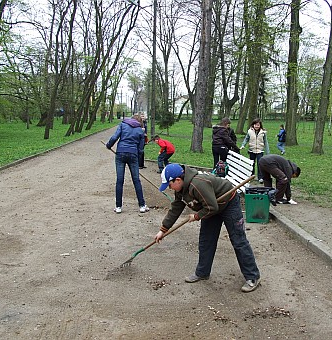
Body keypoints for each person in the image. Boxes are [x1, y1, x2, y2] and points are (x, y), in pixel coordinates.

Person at [154, 163, 261, 293]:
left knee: (238, 240)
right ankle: (202, 272)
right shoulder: (181, 189)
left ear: (177, 180)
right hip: (210, 206)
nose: (170, 188)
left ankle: (252, 277)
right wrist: (163, 230)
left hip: (227, 203)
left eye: (169, 185)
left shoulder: (197, 184)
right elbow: (176, 208)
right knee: (206, 240)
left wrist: (197, 216)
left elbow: (212, 207)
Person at [105, 114, 150, 214]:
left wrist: (109, 145)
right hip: (133, 154)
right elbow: (141, 149)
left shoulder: (123, 125)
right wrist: (136, 159)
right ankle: (142, 206)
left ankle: (118, 207)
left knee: (119, 180)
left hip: (120, 153)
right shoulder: (140, 131)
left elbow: (115, 137)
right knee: (136, 180)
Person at [240, 118, 270, 183]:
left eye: (258, 125)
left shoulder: (263, 133)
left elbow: (266, 142)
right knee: (252, 164)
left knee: (260, 164)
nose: (257, 126)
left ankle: (260, 177)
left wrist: (268, 152)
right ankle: (251, 176)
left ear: (260, 125)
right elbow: (246, 139)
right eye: (255, 125)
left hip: (260, 151)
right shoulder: (249, 131)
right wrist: (243, 145)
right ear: (253, 125)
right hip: (252, 150)